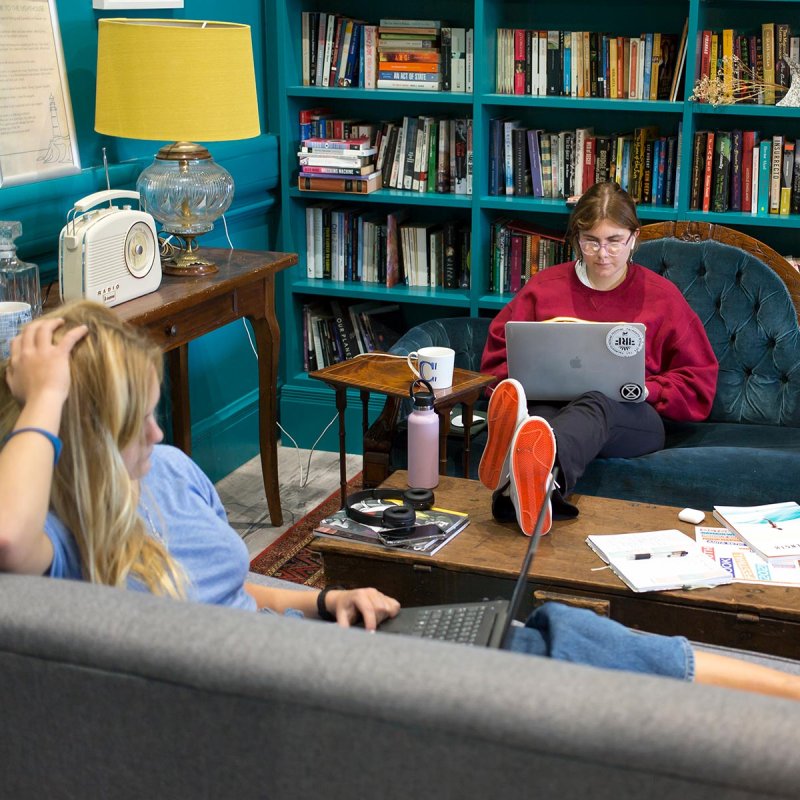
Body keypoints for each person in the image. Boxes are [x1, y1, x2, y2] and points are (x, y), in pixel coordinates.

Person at [2, 300, 800, 702]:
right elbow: (7, 541)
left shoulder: (169, 470)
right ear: (73, 434)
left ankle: (769, 693)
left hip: (296, 642)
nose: (155, 426)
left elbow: (227, 583)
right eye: (128, 418)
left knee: (542, 629)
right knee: (546, 651)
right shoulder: (53, 532)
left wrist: (321, 598)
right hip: (273, 691)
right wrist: (45, 395)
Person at [478, 181, 719, 535]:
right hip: (554, 407)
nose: (602, 254)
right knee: (540, 419)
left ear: (634, 238)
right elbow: (500, 357)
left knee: (595, 402)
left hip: (632, 418)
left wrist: (645, 389)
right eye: (590, 241)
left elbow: (698, 381)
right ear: (576, 238)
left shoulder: (661, 297)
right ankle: (537, 489)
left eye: (614, 241)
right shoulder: (544, 288)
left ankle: (521, 469)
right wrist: (519, 380)